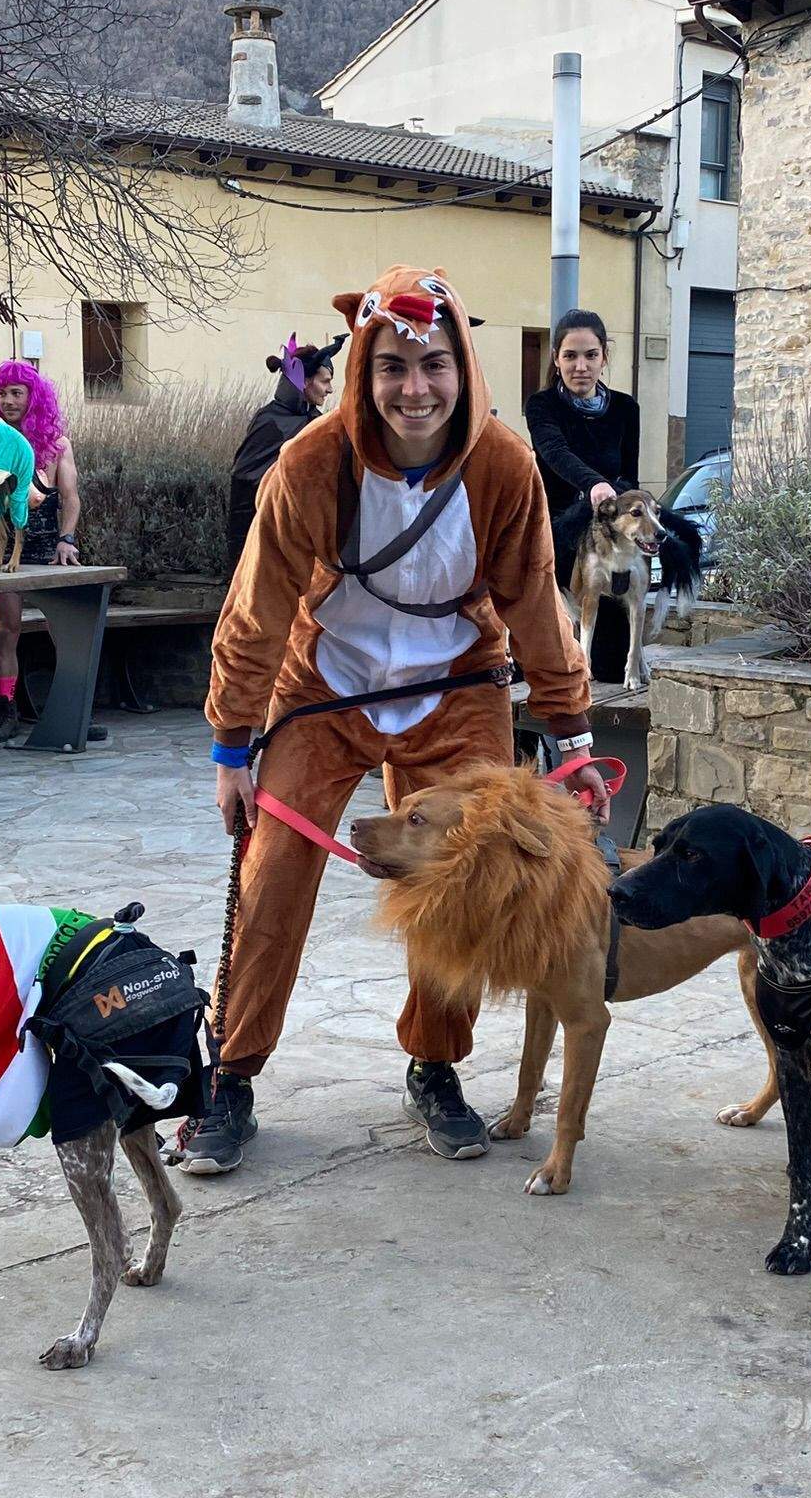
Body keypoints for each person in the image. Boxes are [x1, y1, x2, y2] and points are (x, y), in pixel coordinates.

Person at [186, 264, 606, 1177]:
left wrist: (570, 738)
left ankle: (435, 1066)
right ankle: (232, 1073)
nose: (414, 389)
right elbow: (256, 609)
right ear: (364, 377)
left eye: (434, 365)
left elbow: (536, 599)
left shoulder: (503, 468)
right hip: (324, 686)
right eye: (391, 368)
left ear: (463, 369)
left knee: (465, 880)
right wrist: (232, 745)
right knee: (274, 872)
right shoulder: (308, 467)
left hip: (456, 688)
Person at [0, 359, 98, 744]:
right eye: (2, 393)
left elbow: (71, 498)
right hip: (2, 545)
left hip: (47, 546)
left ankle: (72, 708)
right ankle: (6, 711)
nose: (8, 400)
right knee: (5, 630)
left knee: (67, 630)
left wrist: (67, 539)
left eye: (16, 393)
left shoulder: (57, 445)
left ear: (33, 397)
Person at [522, 309, 643, 683]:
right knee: (554, 667)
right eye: (570, 356)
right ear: (556, 358)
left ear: (604, 356)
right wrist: (594, 485)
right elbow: (556, 452)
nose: (581, 366)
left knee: (608, 668)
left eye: (591, 355)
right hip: (558, 539)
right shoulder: (542, 406)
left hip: (607, 543)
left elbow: (628, 477)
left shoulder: (625, 409)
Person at [226, 333, 345, 569]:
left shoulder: (317, 423)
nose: (330, 389)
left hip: (307, 543)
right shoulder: (270, 421)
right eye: (325, 381)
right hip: (269, 541)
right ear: (305, 381)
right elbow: (245, 482)